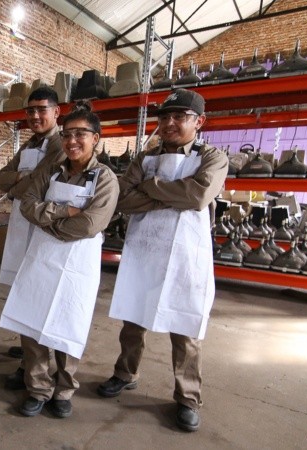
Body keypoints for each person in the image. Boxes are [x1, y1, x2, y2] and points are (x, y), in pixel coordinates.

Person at [96, 89, 228, 432]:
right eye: (164, 117)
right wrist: (172, 195)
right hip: (144, 249)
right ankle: (125, 373)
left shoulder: (213, 158)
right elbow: (123, 199)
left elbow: (198, 195)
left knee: (185, 327)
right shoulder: (146, 158)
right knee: (133, 318)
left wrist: (151, 188)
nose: (169, 123)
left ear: (198, 121)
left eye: (179, 117)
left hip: (187, 254)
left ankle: (187, 397)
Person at [0, 101, 119, 418]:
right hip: (40, 258)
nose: (72, 141)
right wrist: (64, 211)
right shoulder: (50, 170)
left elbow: (92, 223)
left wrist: (50, 223)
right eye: (67, 134)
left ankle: (63, 390)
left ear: (96, 138)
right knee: (32, 322)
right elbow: (27, 205)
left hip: (77, 265)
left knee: (68, 325)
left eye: (81, 134)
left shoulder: (105, 179)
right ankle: (37, 388)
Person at [0, 86, 66, 389]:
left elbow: (39, 182)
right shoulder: (28, 146)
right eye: (30, 111)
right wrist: (20, 181)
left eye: (42, 110)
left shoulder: (62, 144)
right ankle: (29, 352)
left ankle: (38, 363)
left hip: (43, 227)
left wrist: (18, 185)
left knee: (42, 293)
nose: (35, 116)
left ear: (56, 112)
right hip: (20, 225)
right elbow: (1, 177)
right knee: (22, 290)